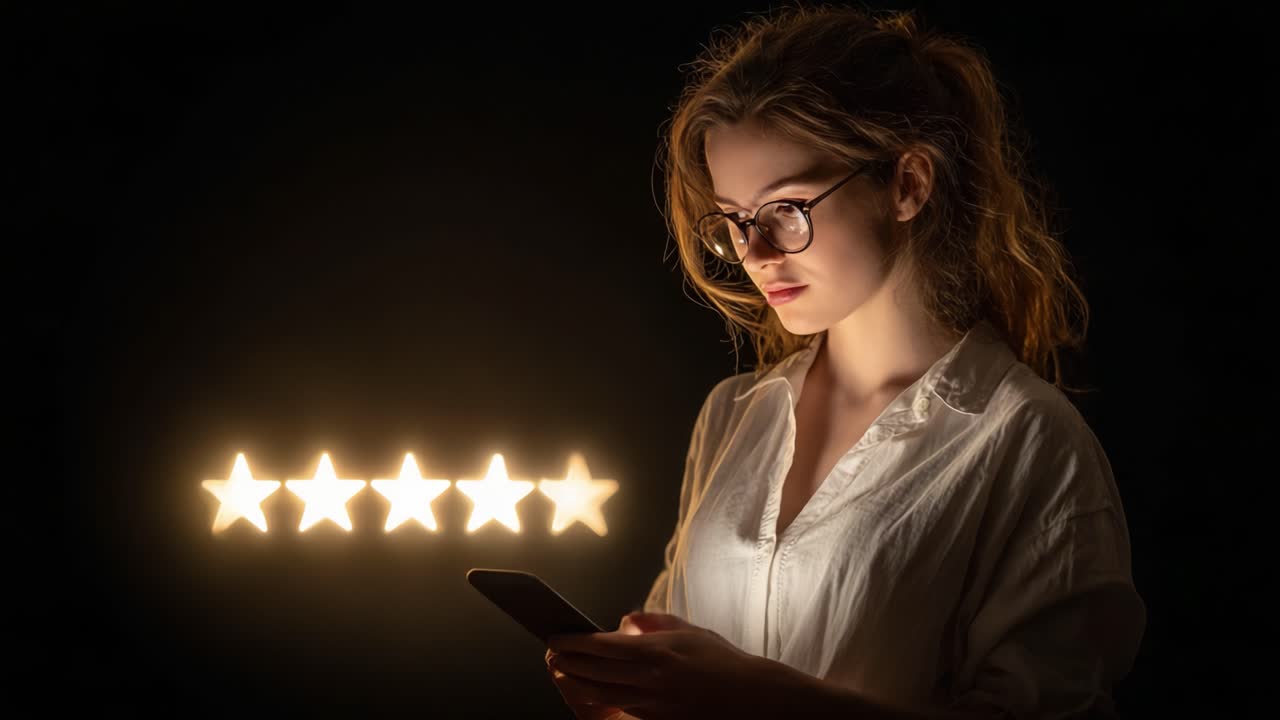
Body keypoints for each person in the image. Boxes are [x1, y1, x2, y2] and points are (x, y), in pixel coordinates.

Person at [545, 5, 1145, 719]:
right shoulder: (733, 415)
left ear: (907, 185)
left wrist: (751, 698)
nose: (757, 255)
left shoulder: (1026, 441)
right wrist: (624, 693)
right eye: (735, 221)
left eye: (787, 208)